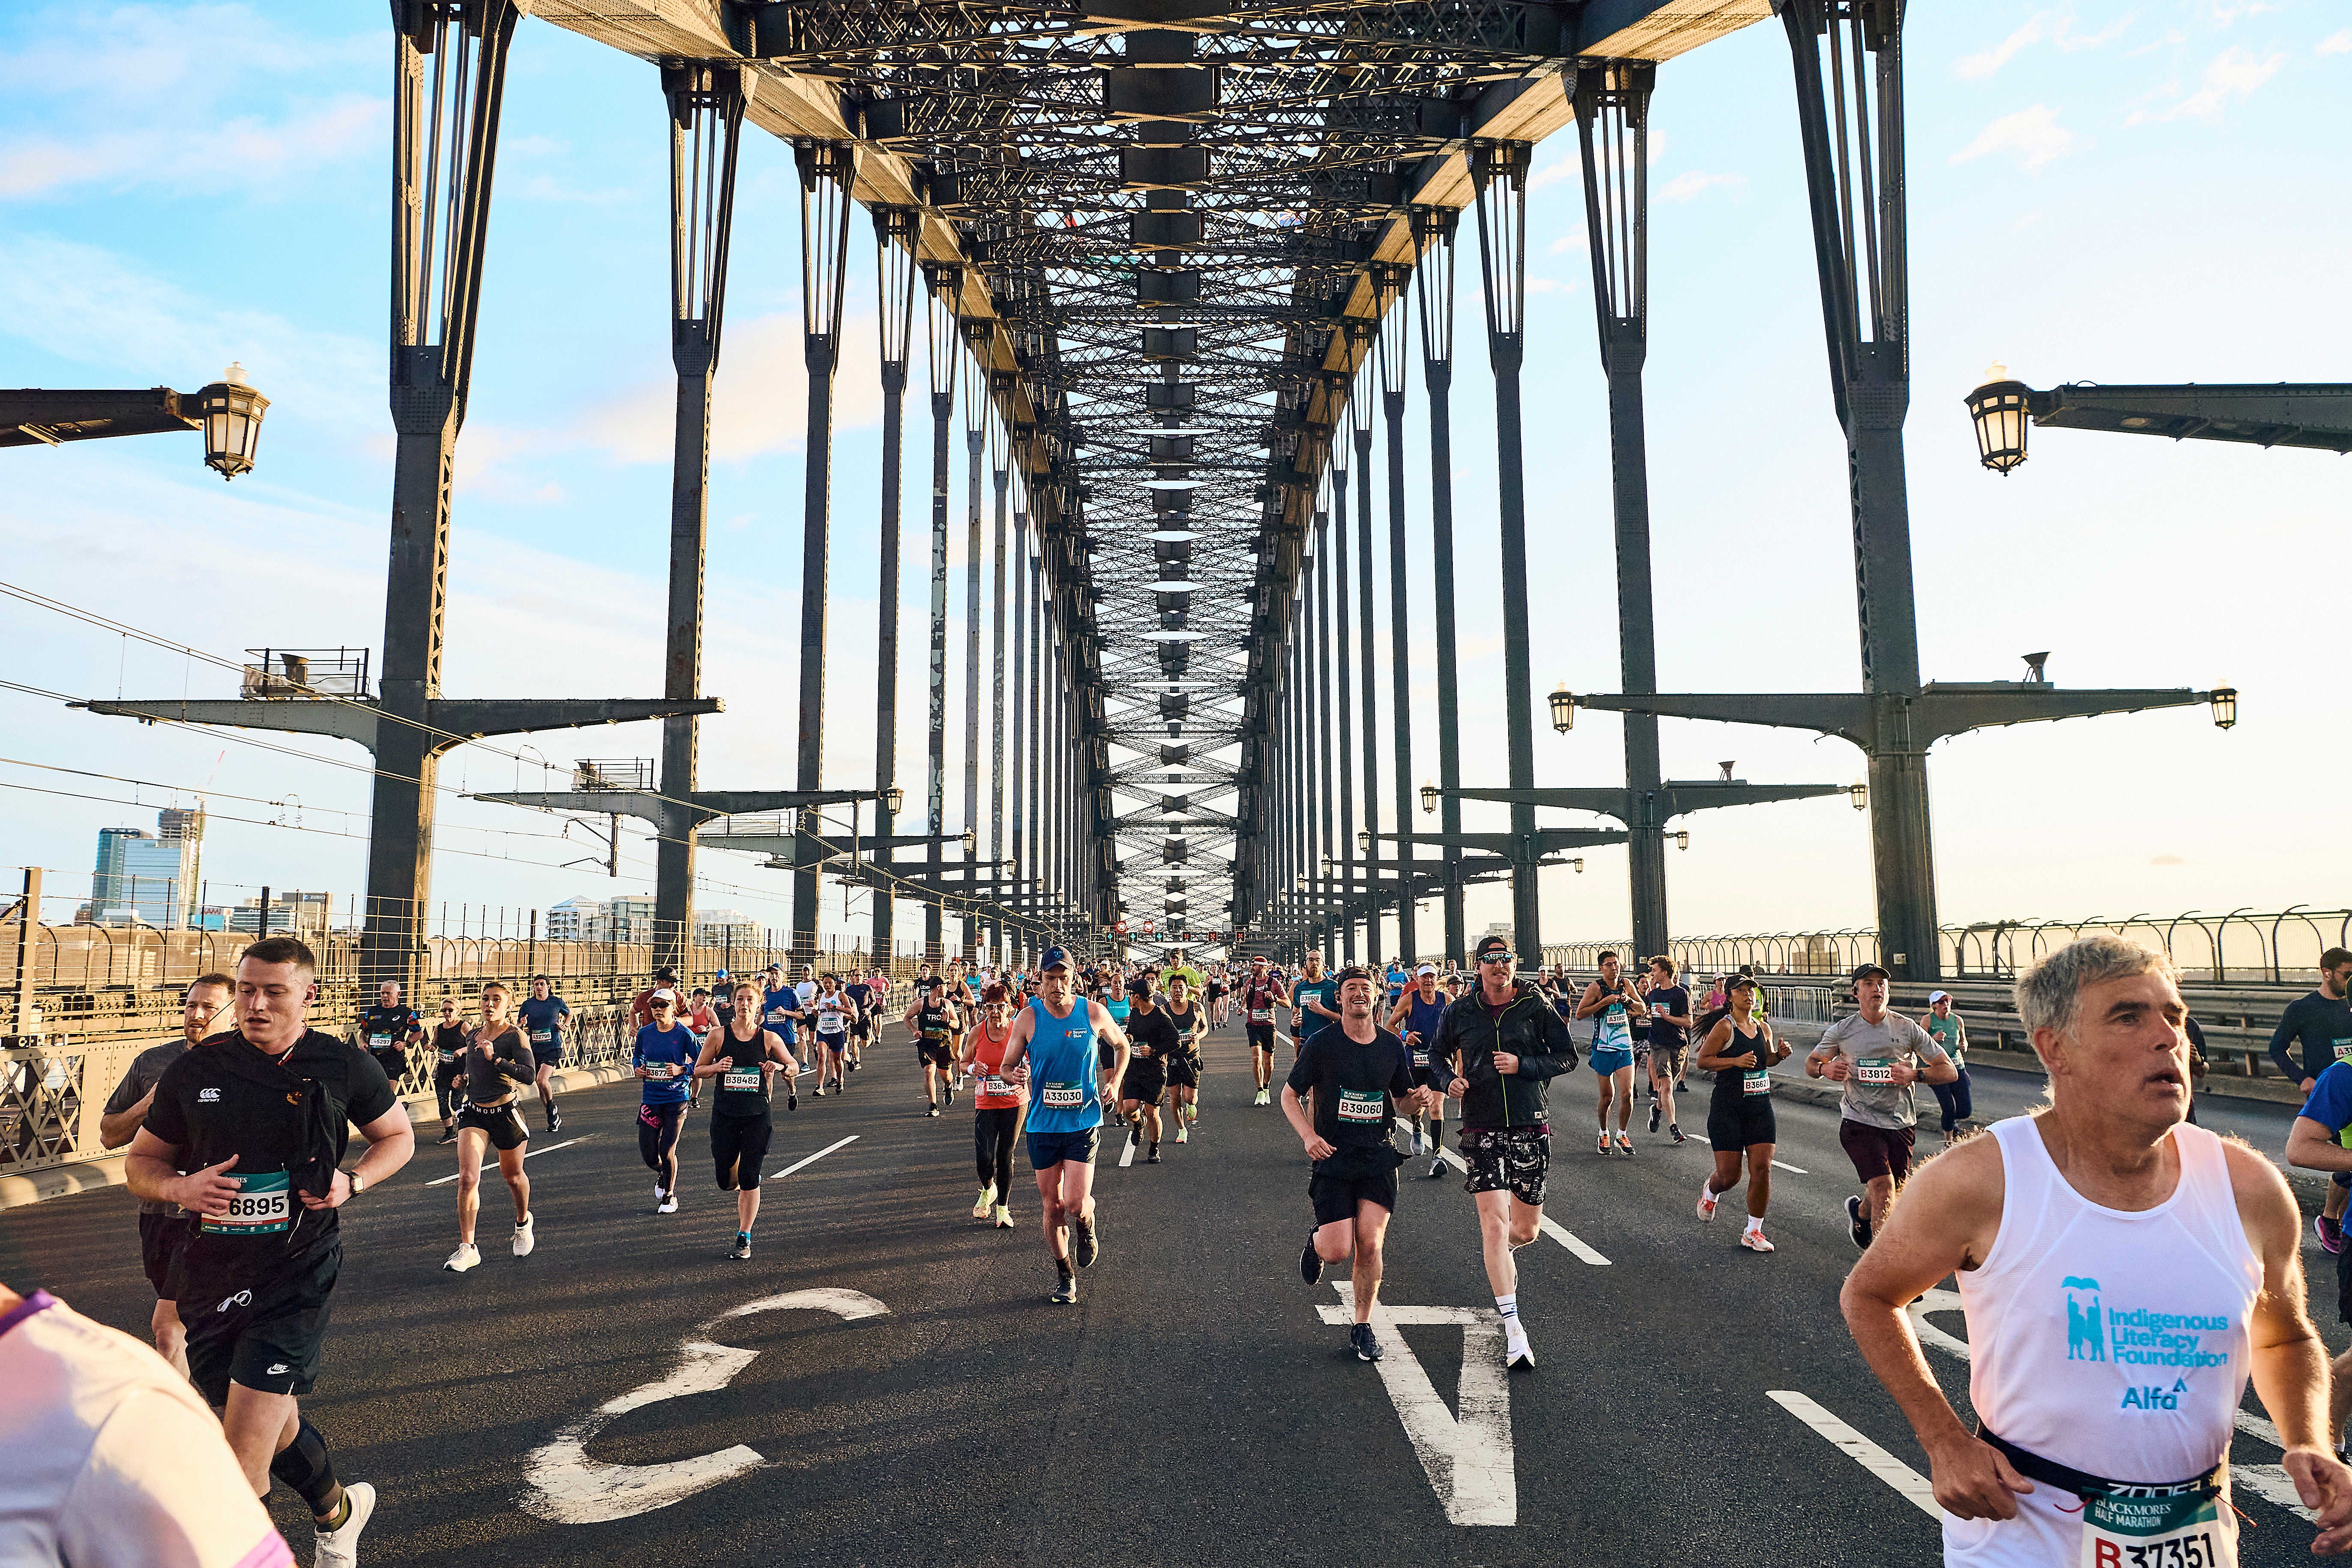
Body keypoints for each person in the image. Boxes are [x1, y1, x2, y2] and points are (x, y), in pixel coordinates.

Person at [1845, 935, 2352, 1563]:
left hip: (2195, 1535)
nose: (2167, 1037)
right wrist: (1942, 1439)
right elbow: (1868, 1294)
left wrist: (2308, 1440)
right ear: (2054, 1048)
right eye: (2127, 1017)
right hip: (2025, 1534)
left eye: (2173, 1016)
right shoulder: (1984, 1178)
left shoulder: (2246, 1186)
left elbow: (2283, 1336)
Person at [120, 935, 414, 1568]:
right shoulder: (196, 1070)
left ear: (308, 995)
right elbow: (139, 1163)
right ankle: (339, 1512)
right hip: (211, 1272)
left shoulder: (342, 1065)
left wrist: (352, 1180)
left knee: (238, 1468)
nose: (255, 1004)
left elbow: (397, 1136)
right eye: (247, 989)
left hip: (297, 1273)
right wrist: (180, 1188)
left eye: (273, 992)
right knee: (271, 1423)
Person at [0, 1280, 295, 1568]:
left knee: (250, 1456)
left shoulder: (103, 1403)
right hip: (204, 1268)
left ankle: (334, 1517)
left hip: (285, 1279)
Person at [1426, 934, 1576, 1370]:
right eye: (1490, 960)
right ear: (1479, 967)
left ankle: (1501, 1256)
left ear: (1514, 963)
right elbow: (1435, 1055)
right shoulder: (1460, 1010)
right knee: (1493, 1225)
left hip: (1530, 1120)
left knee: (1525, 1230)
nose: (1498, 967)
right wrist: (1446, 1081)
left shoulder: (1535, 1005)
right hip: (1480, 1123)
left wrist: (1523, 1064)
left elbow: (1567, 1057)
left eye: (1505, 959)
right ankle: (1513, 1329)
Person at [1287, 966, 1434, 1364]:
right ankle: (1316, 1243)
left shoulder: (1390, 1046)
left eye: (1364, 989)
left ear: (1375, 997)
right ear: (1339, 998)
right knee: (1338, 1250)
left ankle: (1362, 1326)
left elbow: (1400, 1100)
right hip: (1333, 1156)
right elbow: (1289, 1095)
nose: (1357, 995)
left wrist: (1415, 1101)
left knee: (1369, 1242)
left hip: (1377, 1155)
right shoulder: (1321, 1044)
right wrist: (1308, 1136)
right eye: (1350, 989)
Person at [98, 971, 235, 1377]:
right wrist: (149, 1102)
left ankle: (179, 1427)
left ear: (233, 1012)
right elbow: (109, 1135)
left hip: (211, 1214)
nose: (197, 1014)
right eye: (191, 1004)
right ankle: (225, 1407)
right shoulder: (153, 1062)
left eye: (210, 1007)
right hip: (158, 1208)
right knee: (184, 1324)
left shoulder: (246, 1066)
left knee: (167, 1326)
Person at [990, 947, 1130, 1304]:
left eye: (1063, 977)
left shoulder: (1092, 1012)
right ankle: (1065, 1274)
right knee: (1051, 1206)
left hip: (1082, 1121)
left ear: (1073, 979)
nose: (1056, 985)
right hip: (1042, 1125)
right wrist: (1015, 1075)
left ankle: (1086, 1222)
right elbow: (1006, 1067)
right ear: (1039, 982)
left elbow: (1122, 1045)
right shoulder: (1027, 1018)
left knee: (1074, 1203)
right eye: (1049, 978)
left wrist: (1114, 1083)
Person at [1807, 962, 1959, 1250]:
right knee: (1883, 1186)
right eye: (1869, 983)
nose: (1877, 988)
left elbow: (1948, 1070)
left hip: (1900, 1122)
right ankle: (1885, 1271)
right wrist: (1824, 1069)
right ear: (1855, 992)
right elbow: (1811, 1063)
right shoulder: (1842, 1030)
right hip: (1858, 1121)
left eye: (1882, 984)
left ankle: (1861, 1214)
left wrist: (1916, 1074)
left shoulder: (1907, 1028)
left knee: (1890, 1192)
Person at [691, 980, 798, 1260]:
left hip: (756, 1114)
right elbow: (698, 1069)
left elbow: (794, 1066)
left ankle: (744, 1235)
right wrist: (716, 1067)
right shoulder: (718, 1035)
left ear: (759, 1003)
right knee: (725, 1179)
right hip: (725, 1114)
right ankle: (736, 1170)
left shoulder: (768, 1038)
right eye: (740, 999)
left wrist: (780, 1066)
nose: (744, 1004)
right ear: (734, 1003)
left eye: (750, 999)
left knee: (750, 1177)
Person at [442, 981, 539, 1274]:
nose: (490, 1004)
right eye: (485, 998)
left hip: (505, 1113)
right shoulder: (473, 1035)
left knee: (512, 1176)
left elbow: (529, 1075)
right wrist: (462, 1080)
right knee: (467, 1178)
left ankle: (523, 1223)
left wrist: (496, 1059)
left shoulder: (515, 1036)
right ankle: (468, 1248)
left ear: (508, 1004)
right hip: (475, 1113)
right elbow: (470, 1070)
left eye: (497, 999)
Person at [1694, 974, 1788, 1253]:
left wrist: (1779, 1055)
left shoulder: (1763, 1027)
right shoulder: (1725, 1027)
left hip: (1759, 1106)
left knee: (1762, 1168)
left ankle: (1753, 1231)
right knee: (1729, 1176)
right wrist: (1734, 1060)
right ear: (1730, 997)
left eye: (1752, 990)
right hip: (1727, 1108)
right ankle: (1711, 1192)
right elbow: (1702, 1061)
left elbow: (1765, 1060)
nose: (1749, 995)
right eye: (1742, 990)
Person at [2271, 948, 2352, 1253]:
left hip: (2346, 1091)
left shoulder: (2349, 1006)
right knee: (2340, 1159)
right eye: (2346, 975)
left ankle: (2337, 1219)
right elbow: (2276, 1048)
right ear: (2326, 972)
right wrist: (2301, 1078)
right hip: (2326, 1093)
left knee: (2345, 1158)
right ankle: (2329, 1218)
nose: (2349, 981)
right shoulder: (2302, 1008)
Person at [961, 982, 1026, 1228]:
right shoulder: (977, 1032)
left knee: (1005, 1154)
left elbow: (1032, 1060)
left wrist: (1025, 1070)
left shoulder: (1018, 1032)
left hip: (1014, 1100)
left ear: (1010, 1008)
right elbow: (963, 1062)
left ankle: (1003, 1209)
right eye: (990, 1008)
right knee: (984, 1157)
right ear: (985, 1009)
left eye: (1001, 1007)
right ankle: (988, 1189)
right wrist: (971, 1068)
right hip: (986, 1101)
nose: (996, 1013)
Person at [1577, 951, 1650, 1156]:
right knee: (1608, 1096)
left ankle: (1622, 1134)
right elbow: (1580, 1014)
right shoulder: (1596, 988)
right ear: (1601, 968)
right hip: (1603, 1048)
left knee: (1627, 1094)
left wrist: (1628, 1002)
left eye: (1616, 964)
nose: (1613, 968)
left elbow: (1642, 1008)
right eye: (1608, 965)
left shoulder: (1626, 984)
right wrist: (1604, 1003)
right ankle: (1603, 1132)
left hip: (1625, 1047)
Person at [633, 989, 696, 1214]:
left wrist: (683, 1069)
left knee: (667, 1149)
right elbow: (638, 1055)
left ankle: (669, 1196)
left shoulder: (684, 1034)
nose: (658, 1010)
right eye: (654, 1006)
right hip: (651, 1098)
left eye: (663, 1005)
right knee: (650, 1156)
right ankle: (663, 1173)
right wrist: (637, 1068)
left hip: (676, 1098)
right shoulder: (645, 1033)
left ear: (674, 1007)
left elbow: (701, 1062)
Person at [1386, 963, 1452, 1174]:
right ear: (1417, 979)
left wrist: (1458, 1061)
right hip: (1415, 1058)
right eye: (1424, 977)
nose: (1428, 981)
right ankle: (1416, 1127)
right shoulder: (1409, 1000)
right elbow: (1390, 1025)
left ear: (1437, 978)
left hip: (1439, 1059)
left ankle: (1437, 1157)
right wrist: (1406, 1036)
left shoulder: (1447, 1000)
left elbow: (1458, 1028)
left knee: (1436, 1105)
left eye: (1432, 977)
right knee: (1417, 1102)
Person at [1119, 977, 1176, 1163]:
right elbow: (1133, 1032)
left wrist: (1154, 1050)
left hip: (1154, 1071)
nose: (1129, 997)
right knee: (1129, 1109)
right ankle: (1138, 1124)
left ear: (1138, 996)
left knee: (1153, 1113)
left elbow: (1175, 1041)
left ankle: (1154, 1149)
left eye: (1131, 994)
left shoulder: (1161, 1016)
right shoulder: (1135, 1013)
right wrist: (1129, 1037)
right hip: (1135, 1068)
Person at [1638, 956, 1692, 1143]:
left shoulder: (1680, 994)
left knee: (1664, 1088)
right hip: (1658, 1044)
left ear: (1665, 972)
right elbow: (1652, 1017)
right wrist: (1648, 1014)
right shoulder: (1653, 995)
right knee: (1667, 1086)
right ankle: (1674, 1128)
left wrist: (1666, 1016)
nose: (1652, 974)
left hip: (1678, 1044)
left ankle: (1657, 1110)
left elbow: (1688, 1022)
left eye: (1654, 970)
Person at [516, 974, 571, 1134]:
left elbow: (569, 1014)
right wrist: (522, 1024)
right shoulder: (528, 1005)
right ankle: (551, 1115)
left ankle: (551, 1107)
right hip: (535, 1049)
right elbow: (520, 1024)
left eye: (542, 984)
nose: (539, 987)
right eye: (536, 985)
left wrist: (565, 1025)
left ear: (548, 986)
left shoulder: (556, 1002)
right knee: (539, 1084)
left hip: (553, 1047)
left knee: (542, 1080)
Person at [1161, 972, 1207, 1142]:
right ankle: (1181, 1129)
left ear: (1187, 990)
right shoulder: (1164, 1010)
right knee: (1174, 1096)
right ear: (1170, 990)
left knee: (1190, 1097)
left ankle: (1191, 1104)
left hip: (1191, 1057)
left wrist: (1198, 1037)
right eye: (1174, 987)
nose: (1178, 990)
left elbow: (1205, 1029)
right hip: (1172, 1058)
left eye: (1181, 987)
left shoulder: (1197, 1008)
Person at [906, 978, 962, 1117]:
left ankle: (949, 1087)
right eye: (945, 987)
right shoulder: (920, 1004)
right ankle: (933, 1106)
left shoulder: (947, 1004)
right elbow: (907, 1018)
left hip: (943, 1044)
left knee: (946, 1076)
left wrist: (948, 1021)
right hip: (927, 1045)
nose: (948, 990)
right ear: (938, 987)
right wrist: (914, 1030)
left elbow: (957, 1024)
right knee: (929, 1071)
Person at [1924, 989, 1972, 1147]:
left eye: (1948, 1001)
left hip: (1958, 1068)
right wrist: (1933, 1039)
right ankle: (1948, 1142)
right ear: (1934, 1006)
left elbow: (1963, 1041)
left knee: (1965, 1111)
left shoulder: (1957, 1020)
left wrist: (1964, 1045)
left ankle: (1950, 1121)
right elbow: (1919, 1046)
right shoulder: (1927, 1021)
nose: (1946, 1005)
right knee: (1948, 1107)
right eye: (1941, 1002)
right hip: (1938, 1070)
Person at [1241, 956, 1289, 1106]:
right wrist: (1242, 1007)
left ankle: (1267, 1088)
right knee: (1256, 1058)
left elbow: (1288, 1003)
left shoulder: (1275, 983)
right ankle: (1260, 1090)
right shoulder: (1249, 983)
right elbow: (1247, 999)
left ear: (1262, 967)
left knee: (1268, 1061)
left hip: (1268, 1025)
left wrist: (1275, 999)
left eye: (1254, 966)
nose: (1252, 968)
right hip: (1253, 1024)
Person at [356, 980, 419, 1091]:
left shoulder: (406, 1013)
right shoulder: (373, 1011)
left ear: (398, 994)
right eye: (382, 993)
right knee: (372, 1090)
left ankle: (391, 1106)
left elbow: (419, 1033)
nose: (384, 996)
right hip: (373, 1057)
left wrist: (406, 1043)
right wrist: (362, 1042)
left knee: (388, 1091)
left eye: (388, 993)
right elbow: (363, 1032)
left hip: (393, 1057)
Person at [427, 996, 468, 1144]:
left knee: (456, 1103)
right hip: (443, 1070)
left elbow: (474, 1044)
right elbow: (435, 1044)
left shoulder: (463, 1026)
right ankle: (450, 1132)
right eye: (444, 1010)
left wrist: (462, 1050)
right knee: (442, 1101)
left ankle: (466, 1128)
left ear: (458, 1011)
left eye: (450, 1010)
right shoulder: (439, 1028)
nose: (447, 1013)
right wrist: (431, 1048)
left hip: (459, 1071)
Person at [1291, 949, 1340, 1051]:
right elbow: (1295, 1011)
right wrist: (1295, 1021)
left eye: (1318, 960)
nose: (1314, 963)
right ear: (1306, 964)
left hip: (1329, 1040)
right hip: (1306, 1040)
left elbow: (1345, 1019)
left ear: (1323, 965)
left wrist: (1322, 1011)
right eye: (1311, 960)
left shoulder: (1333, 987)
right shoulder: (1300, 988)